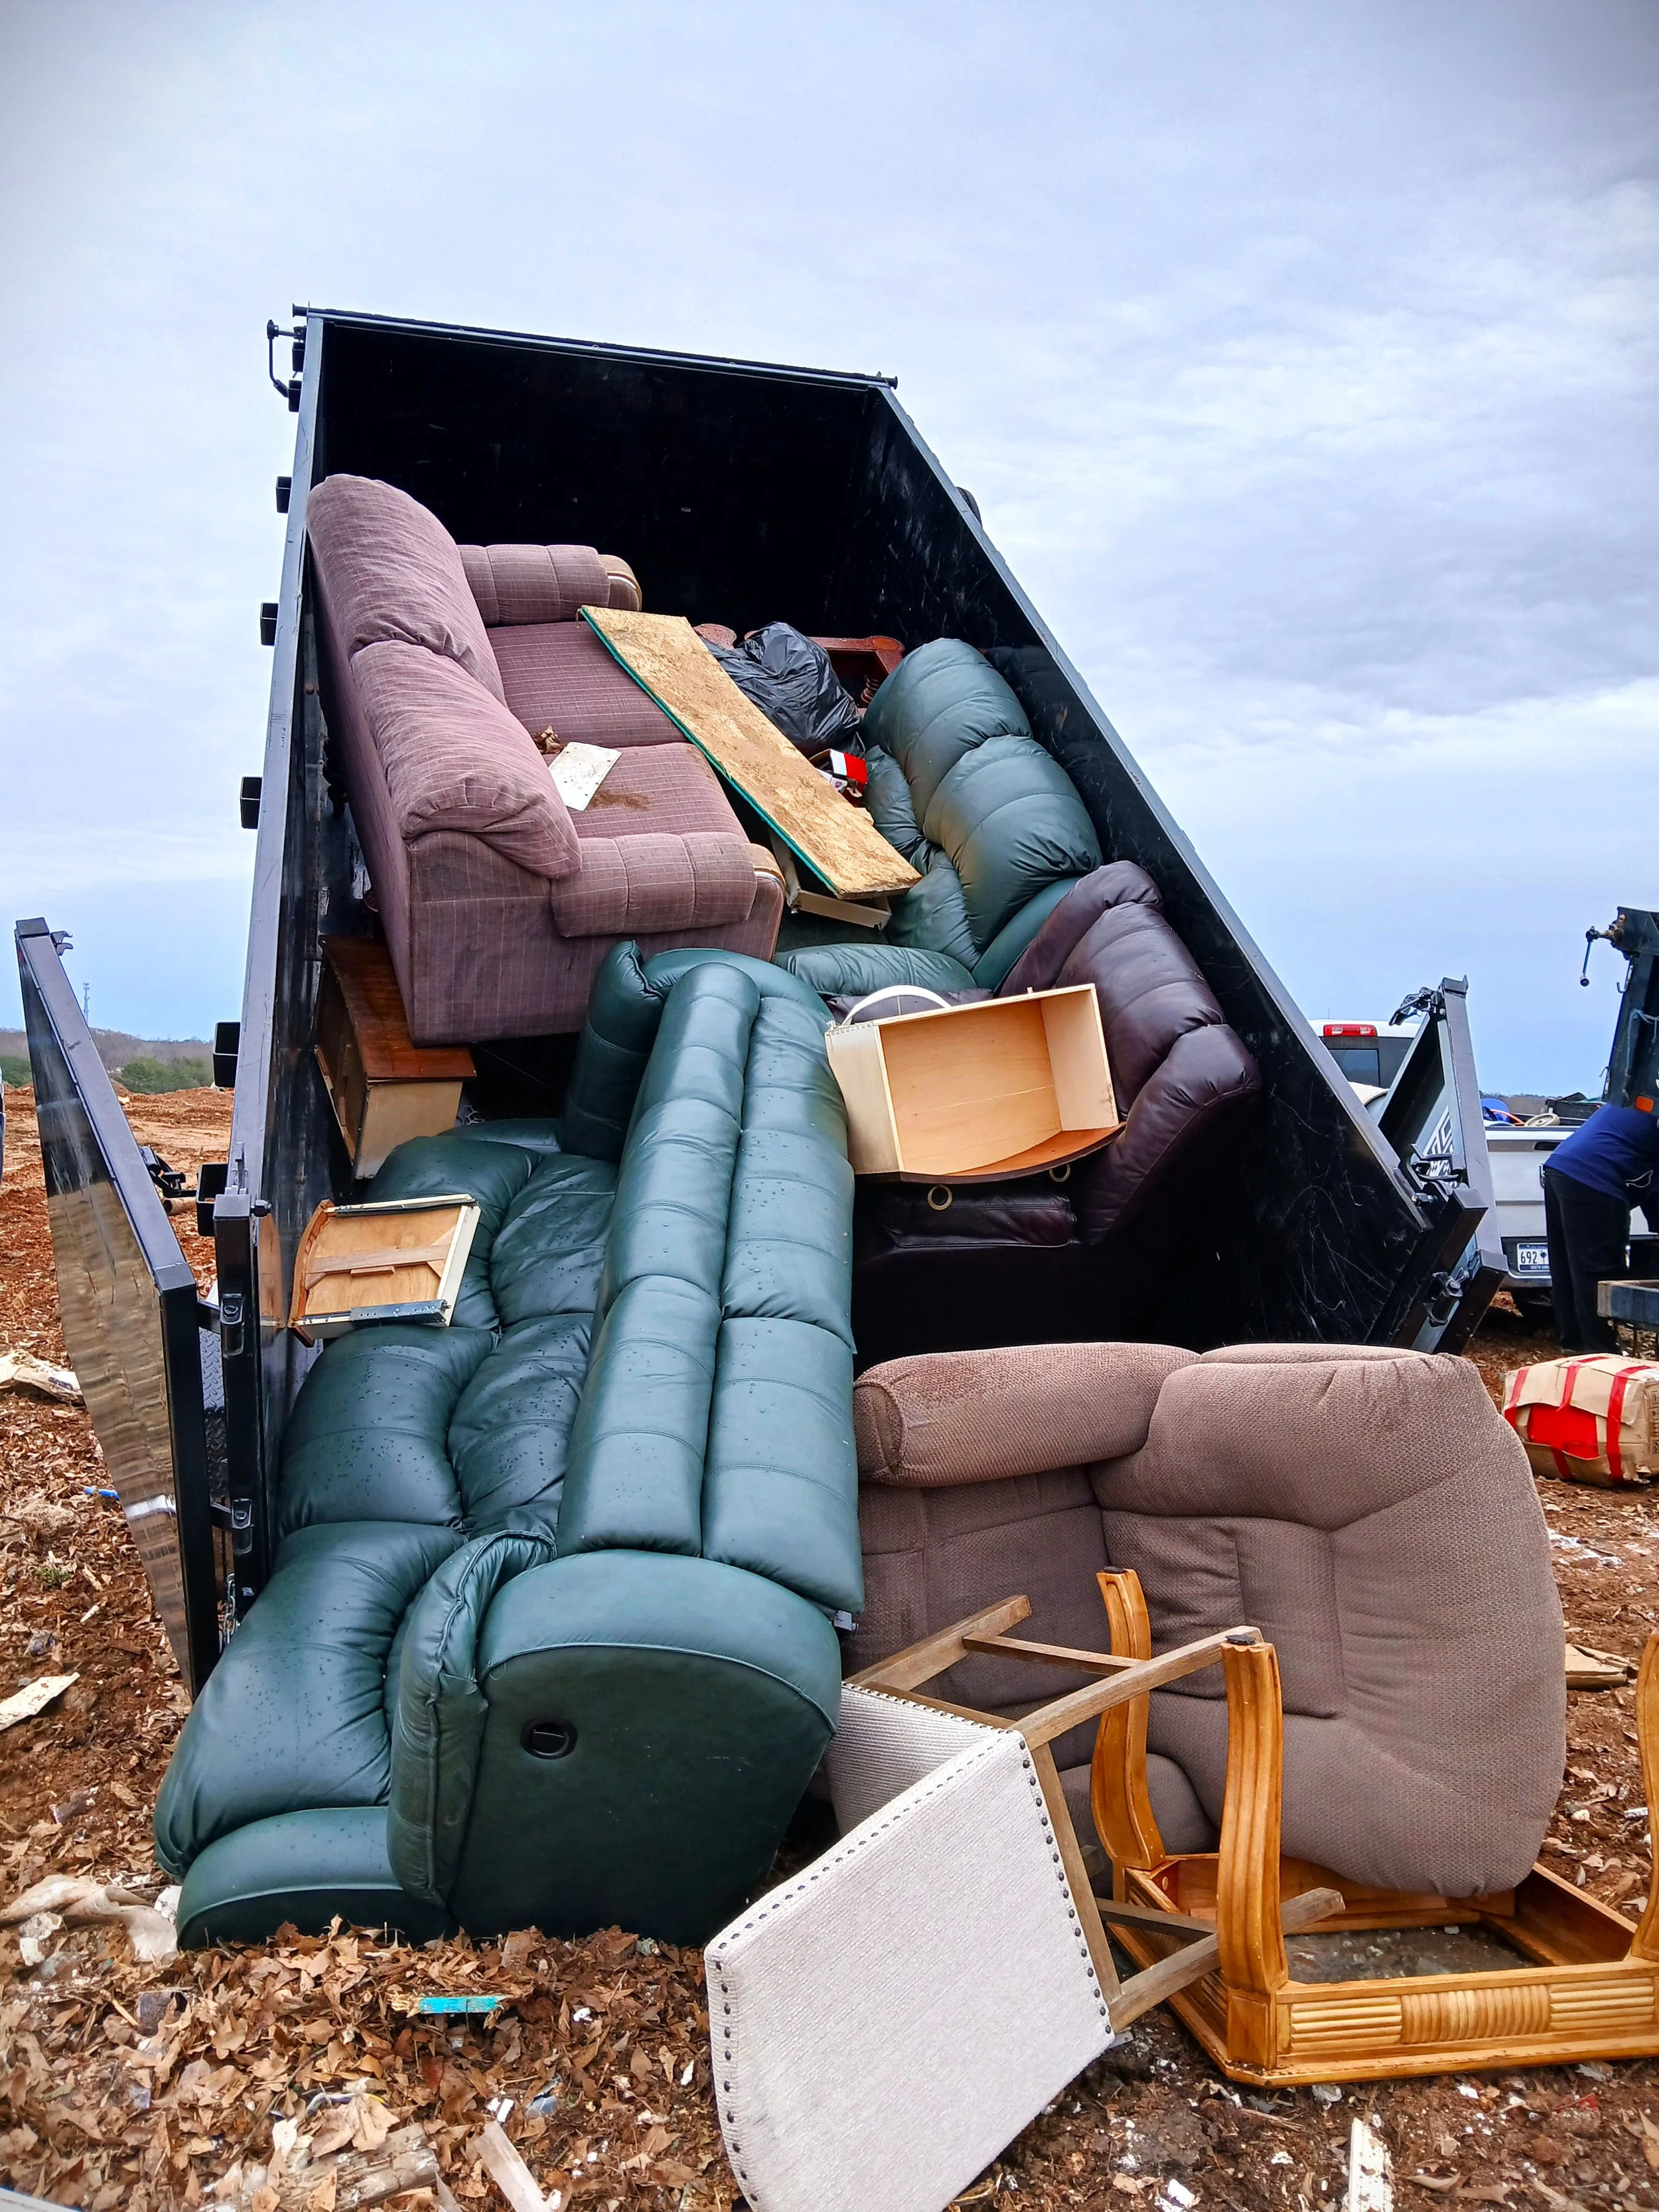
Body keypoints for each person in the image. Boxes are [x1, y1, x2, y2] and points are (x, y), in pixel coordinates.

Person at [1543, 1103, 1659, 1353]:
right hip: (1595, 1175)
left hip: (1561, 1167)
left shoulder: (1640, 1095)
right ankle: (1601, 1351)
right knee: (1599, 1270)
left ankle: (1573, 1343)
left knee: (1566, 1265)